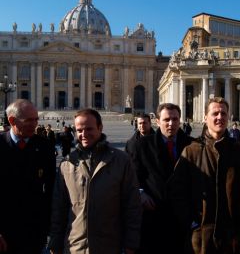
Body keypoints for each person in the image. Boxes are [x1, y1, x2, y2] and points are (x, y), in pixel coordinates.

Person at [168, 97, 240, 254]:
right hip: (201, 239)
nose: (220, 117)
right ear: (205, 118)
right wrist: (192, 224)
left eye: (223, 113)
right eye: (215, 113)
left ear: (228, 117)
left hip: (234, 238)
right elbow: (175, 192)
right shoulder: (191, 151)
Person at [49, 108, 142, 254]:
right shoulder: (67, 164)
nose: (84, 134)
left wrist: (131, 242)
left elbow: (132, 204)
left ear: (100, 128)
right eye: (79, 130)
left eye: (89, 129)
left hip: (110, 245)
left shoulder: (121, 160)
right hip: (75, 246)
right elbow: (59, 208)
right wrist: (55, 242)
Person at [133, 103, 193, 254]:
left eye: (175, 119)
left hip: (183, 217)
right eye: (166, 120)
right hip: (154, 215)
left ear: (180, 120)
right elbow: (133, 175)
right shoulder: (142, 145)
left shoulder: (192, 145)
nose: (171, 123)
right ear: (157, 121)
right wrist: (140, 193)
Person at [0, 99, 56, 254]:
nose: (35, 124)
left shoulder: (44, 146)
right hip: (4, 228)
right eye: (29, 120)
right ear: (12, 120)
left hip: (34, 229)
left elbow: (51, 187)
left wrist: (49, 227)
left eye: (36, 119)